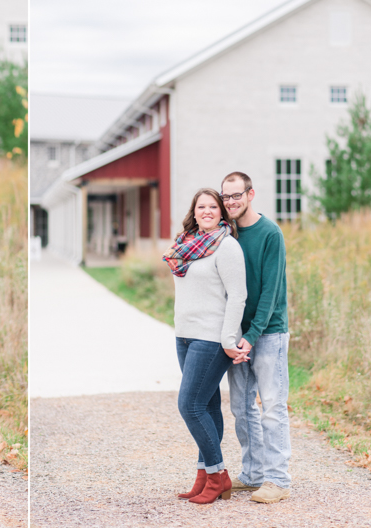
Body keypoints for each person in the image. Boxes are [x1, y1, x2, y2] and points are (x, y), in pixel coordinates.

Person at [163, 188, 247, 505]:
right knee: (208, 407)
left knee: (190, 405)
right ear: (194, 212)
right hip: (184, 335)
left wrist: (227, 339)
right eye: (202, 206)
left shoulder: (227, 247)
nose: (208, 211)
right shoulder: (185, 244)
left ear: (221, 213)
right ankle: (204, 475)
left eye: (214, 206)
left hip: (211, 337)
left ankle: (218, 474)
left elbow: (238, 296)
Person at [220, 171, 291, 504]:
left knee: (272, 408)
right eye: (226, 197)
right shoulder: (227, 233)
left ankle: (278, 480)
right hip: (238, 336)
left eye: (237, 195)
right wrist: (234, 335)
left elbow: (271, 292)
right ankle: (253, 475)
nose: (231, 202)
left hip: (268, 333)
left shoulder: (270, 233)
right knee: (241, 408)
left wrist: (252, 335)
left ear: (250, 194)